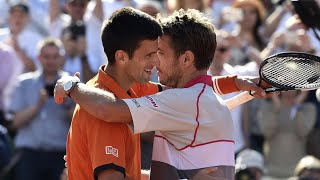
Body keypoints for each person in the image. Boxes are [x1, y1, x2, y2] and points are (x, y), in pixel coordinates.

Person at [54, 8, 268, 179]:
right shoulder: (195, 97)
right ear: (121, 57)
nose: (156, 62)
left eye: (160, 53)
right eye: (151, 54)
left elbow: (107, 109)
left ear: (186, 60)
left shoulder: (181, 100)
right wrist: (235, 82)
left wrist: (70, 85)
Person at [6, 38, 74, 180]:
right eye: (46, 57)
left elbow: (80, 123)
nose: (51, 61)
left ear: (61, 58)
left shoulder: (72, 84)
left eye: (55, 57)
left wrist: (67, 102)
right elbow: (14, 123)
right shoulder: (24, 83)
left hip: (60, 155)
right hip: (29, 155)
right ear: (38, 58)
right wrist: (37, 105)